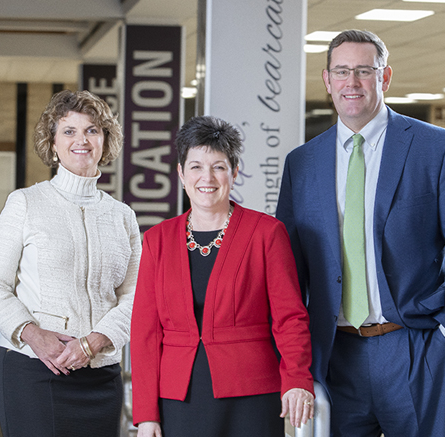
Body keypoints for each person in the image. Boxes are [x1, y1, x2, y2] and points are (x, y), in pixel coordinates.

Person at [276, 29, 445, 436]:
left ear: (384, 78)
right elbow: (288, 272)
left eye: (364, 71)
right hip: (334, 354)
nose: (352, 82)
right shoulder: (302, 164)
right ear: (327, 81)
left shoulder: (434, 147)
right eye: (342, 71)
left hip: (414, 347)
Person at [130, 115, 314, 437]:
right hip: (178, 398)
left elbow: (290, 317)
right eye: (196, 166)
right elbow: (145, 333)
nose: (207, 177)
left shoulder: (267, 233)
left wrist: (297, 378)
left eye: (218, 166)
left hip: (252, 394)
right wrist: (146, 414)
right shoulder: (156, 240)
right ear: (181, 174)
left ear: (235, 172)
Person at [0, 89, 141, 436]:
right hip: (33, 368)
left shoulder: (122, 216)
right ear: (53, 144)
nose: (81, 140)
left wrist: (95, 341)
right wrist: (32, 335)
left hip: (102, 371)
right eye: (69, 131)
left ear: (105, 140)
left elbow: (136, 296)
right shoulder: (24, 203)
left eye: (92, 130)